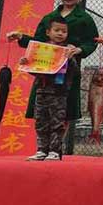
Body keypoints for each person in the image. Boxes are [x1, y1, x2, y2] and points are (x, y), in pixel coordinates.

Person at [8, 0, 99, 137]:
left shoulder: (85, 18)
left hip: (68, 70)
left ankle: (57, 146)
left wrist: (79, 50)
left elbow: (92, 41)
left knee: (64, 108)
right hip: (45, 70)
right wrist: (21, 37)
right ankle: (43, 147)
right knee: (42, 107)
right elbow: (38, 42)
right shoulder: (49, 17)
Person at [20, 17, 77, 161]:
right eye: (56, 30)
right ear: (48, 32)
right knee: (41, 121)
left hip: (59, 93)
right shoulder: (40, 50)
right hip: (41, 91)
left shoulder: (67, 50)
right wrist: (26, 63)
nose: (60, 33)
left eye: (63, 31)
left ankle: (55, 151)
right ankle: (41, 150)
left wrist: (70, 59)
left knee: (57, 122)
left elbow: (75, 72)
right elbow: (34, 71)